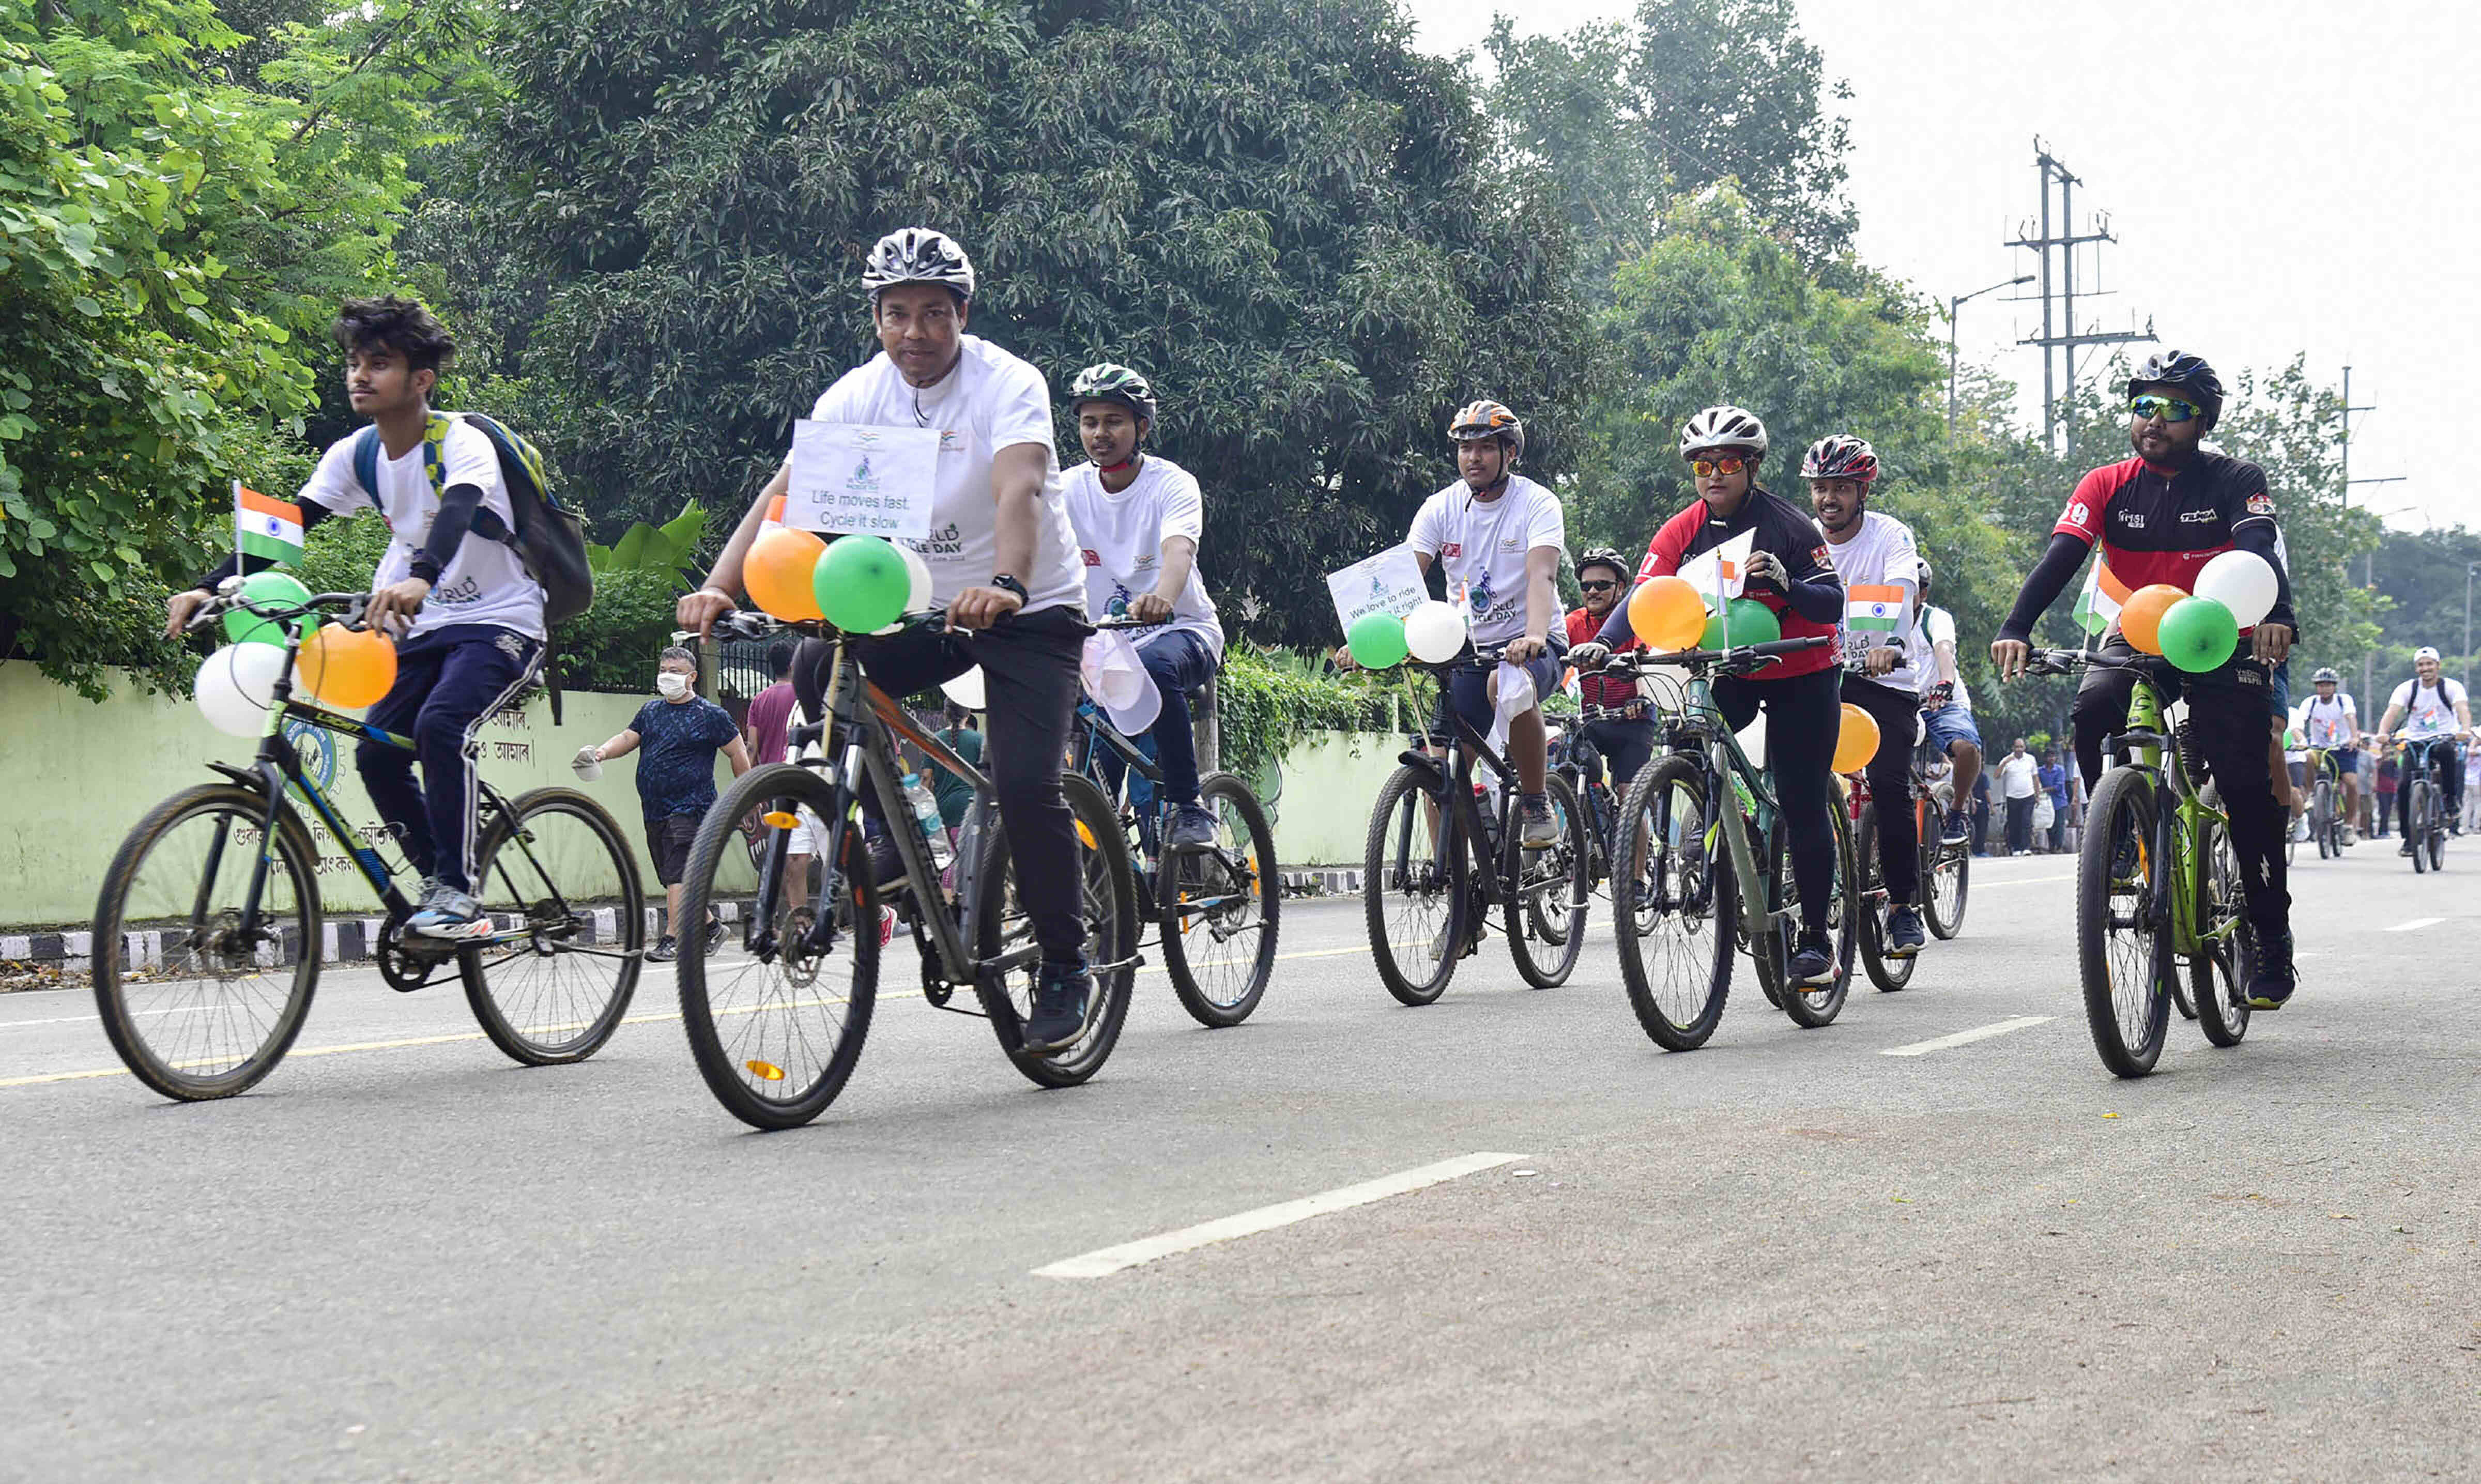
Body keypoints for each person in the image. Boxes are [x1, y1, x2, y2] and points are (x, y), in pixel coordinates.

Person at [676, 228, 1098, 1053]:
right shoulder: (855, 398)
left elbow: (1019, 486)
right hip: (914, 605)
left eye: (934, 314)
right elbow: (785, 498)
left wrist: (1008, 583)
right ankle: (892, 837)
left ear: (962, 315)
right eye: (896, 314)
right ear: (875, 318)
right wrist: (722, 585)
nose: (916, 333)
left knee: (1022, 784)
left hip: (1029, 610)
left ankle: (1066, 962)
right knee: (812, 668)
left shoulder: (1007, 383)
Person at [166, 296, 546, 940]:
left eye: (379, 363)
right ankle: (434, 884)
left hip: (502, 621)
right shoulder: (356, 454)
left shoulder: (462, 441)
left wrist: (421, 578)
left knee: (442, 723)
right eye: (353, 363)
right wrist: (209, 587)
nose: (359, 376)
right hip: (422, 629)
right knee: (376, 755)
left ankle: (459, 893)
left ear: (421, 380)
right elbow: (287, 531)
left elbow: (457, 509)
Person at [1990, 349, 2297, 1009]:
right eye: (2144, 405)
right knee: (2092, 707)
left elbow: (2258, 551)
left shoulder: (2235, 478)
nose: (2155, 419)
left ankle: (2272, 940)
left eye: (2175, 408)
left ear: (2204, 421)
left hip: (2224, 632)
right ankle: (2125, 831)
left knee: (2244, 785)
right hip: (2139, 625)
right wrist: (2017, 624)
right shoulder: (2105, 484)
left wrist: (2277, 614)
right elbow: (2062, 558)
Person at [1571, 406, 1844, 982]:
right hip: (1735, 666)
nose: (1713, 474)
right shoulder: (1680, 529)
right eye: (1701, 465)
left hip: (1803, 667)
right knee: (1693, 738)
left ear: (1751, 466)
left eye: (1726, 462)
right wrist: (1605, 643)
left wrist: (1788, 584)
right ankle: (1727, 822)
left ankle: (1818, 939)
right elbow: (1646, 595)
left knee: (1801, 799)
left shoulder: (1790, 526)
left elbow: (1832, 603)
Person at [1355, 399, 1567, 850]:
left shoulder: (1537, 503)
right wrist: (1360, 642)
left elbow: (1541, 574)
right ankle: (1456, 895)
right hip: (1467, 647)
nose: (1474, 458)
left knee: (1510, 684)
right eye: (1466, 448)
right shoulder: (1440, 508)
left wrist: (1532, 635)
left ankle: (1534, 799)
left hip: (1535, 641)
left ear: (1510, 453)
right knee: (1440, 775)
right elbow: (1401, 583)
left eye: (1487, 447)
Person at [1059, 362, 1224, 848]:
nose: (1100, 433)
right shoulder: (1068, 489)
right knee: (1092, 795)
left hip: (1183, 633)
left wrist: (1163, 597)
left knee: (1152, 665)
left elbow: (1179, 550)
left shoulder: (1171, 484)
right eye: (1090, 422)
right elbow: (1038, 554)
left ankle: (1190, 805)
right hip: (1104, 649)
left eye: (1114, 421)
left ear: (1142, 428)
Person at [1804, 435, 1927, 953]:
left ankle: (1904, 905)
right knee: (1796, 780)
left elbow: (1903, 587)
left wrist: (1893, 644)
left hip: (1884, 678)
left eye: (1839, 489)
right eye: (1819, 488)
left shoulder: (1888, 537)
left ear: (1862, 491)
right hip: (1821, 672)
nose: (1828, 499)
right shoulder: (1802, 536)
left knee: (1889, 783)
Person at [580, 647, 753, 961]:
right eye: (663, 669)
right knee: (675, 876)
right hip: (655, 809)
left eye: (675, 670)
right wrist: (602, 752)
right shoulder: (650, 712)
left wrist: (748, 797)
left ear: (692, 677)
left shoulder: (711, 716)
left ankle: (673, 939)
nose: (667, 675)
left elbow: (738, 754)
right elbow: (627, 738)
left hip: (693, 808)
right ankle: (712, 929)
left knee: (678, 874)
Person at [1562, 546, 1657, 792]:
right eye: (1586, 586)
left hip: (1634, 721)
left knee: (1628, 796)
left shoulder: (1635, 619)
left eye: (1602, 585)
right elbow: (1554, 662)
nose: (1593, 591)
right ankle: (1594, 810)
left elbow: (1643, 659)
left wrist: (1641, 698)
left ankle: (1628, 823)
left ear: (1621, 588)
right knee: (1573, 780)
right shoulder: (1573, 623)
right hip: (1593, 720)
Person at [1910, 563, 1984, 846]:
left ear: (1924, 592)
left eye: (1911, 588)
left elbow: (1943, 650)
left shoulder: (1935, 619)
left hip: (1940, 701)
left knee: (1966, 748)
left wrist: (1946, 682)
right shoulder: (1881, 617)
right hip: (1897, 702)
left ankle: (1957, 813)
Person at [2372, 645, 2472, 851]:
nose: (2425, 668)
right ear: (2416, 668)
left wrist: (2465, 730)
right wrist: (2383, 732)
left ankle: (2451, 799)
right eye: (2421, 665)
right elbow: (2393, 712)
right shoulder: (2408, 689)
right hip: (2415, 741)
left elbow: (2463, 709)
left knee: (2447, 754)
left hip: (2443, 738)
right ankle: (2409, 839)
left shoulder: (2451, 687)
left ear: (2438, 666)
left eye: (2429, 664)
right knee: (2404, 786)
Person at [2291, 666, 2360, 844]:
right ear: (2316, 687)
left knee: (2352, 783)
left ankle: (2348, 826)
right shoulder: (2310, 703)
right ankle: (2313, 792)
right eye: (2321, 685)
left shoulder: (2344, 701)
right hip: (2319, 748)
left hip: (2343, 748)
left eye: (2328, 685)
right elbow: (2299, 725)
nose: (2325, 689)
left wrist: (2354, 737)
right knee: (2306, 756)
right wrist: (2301, 740)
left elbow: (2351, 718)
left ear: (2335, 686)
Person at [742, 642, 799, 765]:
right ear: (792, 665)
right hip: (794, 773)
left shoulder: (758, 701)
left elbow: (751, 748)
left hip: (769, 776)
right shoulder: (801, 697)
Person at [1997, 737, 2039, 856]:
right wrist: (2004, 763)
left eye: (2021, 747)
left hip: (2028, 795)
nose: (2019, 749)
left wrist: (2038, 795)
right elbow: (1997, 775)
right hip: (2012, 796)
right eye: (2017, 747)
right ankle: (2016, 848)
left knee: (2026, 821)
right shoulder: (2007, 760)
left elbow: (2035, 777)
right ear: (2013, 748)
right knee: (2014, 823)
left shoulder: (2031, 759)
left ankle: (2026, 847)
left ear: (2025, 748)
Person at [2039, 747, 2070, 853]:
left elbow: (2058, 787)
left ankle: (2059, 847)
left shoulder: (2060, 770)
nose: (2051, 759)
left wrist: (2042, 790)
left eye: (2053, 756)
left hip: (2059, 802)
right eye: (2049, 756)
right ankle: (2052, 847)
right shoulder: (2040, 771)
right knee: (2049, 825)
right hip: (2046, 802)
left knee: (2059, 825)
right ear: (2045, 758)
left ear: (2056, 758)